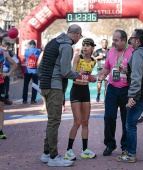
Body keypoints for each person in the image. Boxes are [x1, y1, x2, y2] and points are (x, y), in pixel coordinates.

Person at [39, 24, 84, 167]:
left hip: (46, 85)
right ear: (77, 34)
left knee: (51, 120)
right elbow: (66, 71)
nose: (79, 39)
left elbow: (41, 67)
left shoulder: (52, 42)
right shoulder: (66, 46)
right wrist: (78, 74)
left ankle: (46, 153)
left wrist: (44, 82)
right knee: (54, 121)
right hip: (55, 86)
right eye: (80, 36)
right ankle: (53, 156)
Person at [116, 29, 143, 163]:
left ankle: (131, 154)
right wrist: (127, 70)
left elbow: (137, 77)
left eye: (131, 38)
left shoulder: (138, 53)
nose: (130, 41)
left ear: (137, 41)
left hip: (140, 95)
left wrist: (132, 96)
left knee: (130, 124)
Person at [95, 30, 133, 156]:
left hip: (126, 90)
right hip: (111, 88)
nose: (113, 42)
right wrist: (100, 75)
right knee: (109, 117)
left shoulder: (133, 51)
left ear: (124, 40)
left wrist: (127, 70)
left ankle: (125, 146)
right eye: (113, 40)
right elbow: (107, 68)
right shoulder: (111, 51)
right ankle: (110, 144)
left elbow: (137, 72)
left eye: (116, 40)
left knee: (126, 119)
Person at [64, 38, 96, 161]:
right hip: (76, 91)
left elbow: (88, 78)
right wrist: (78, 72)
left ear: (92, 48)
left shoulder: (93, 61)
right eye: (84, 45)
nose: (85, 48)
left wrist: (93, 78)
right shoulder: (78, 58)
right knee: (77, 122)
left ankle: (85, 150)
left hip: (85, 92)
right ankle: (69, 150)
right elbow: (72, 74)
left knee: (85, 122)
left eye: (88, 46)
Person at [0, 39, 17, 139]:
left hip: (1, 83)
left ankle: (0, 130)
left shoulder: (3, 54)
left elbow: (15, 64)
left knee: (1, 107)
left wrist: (8, 74)